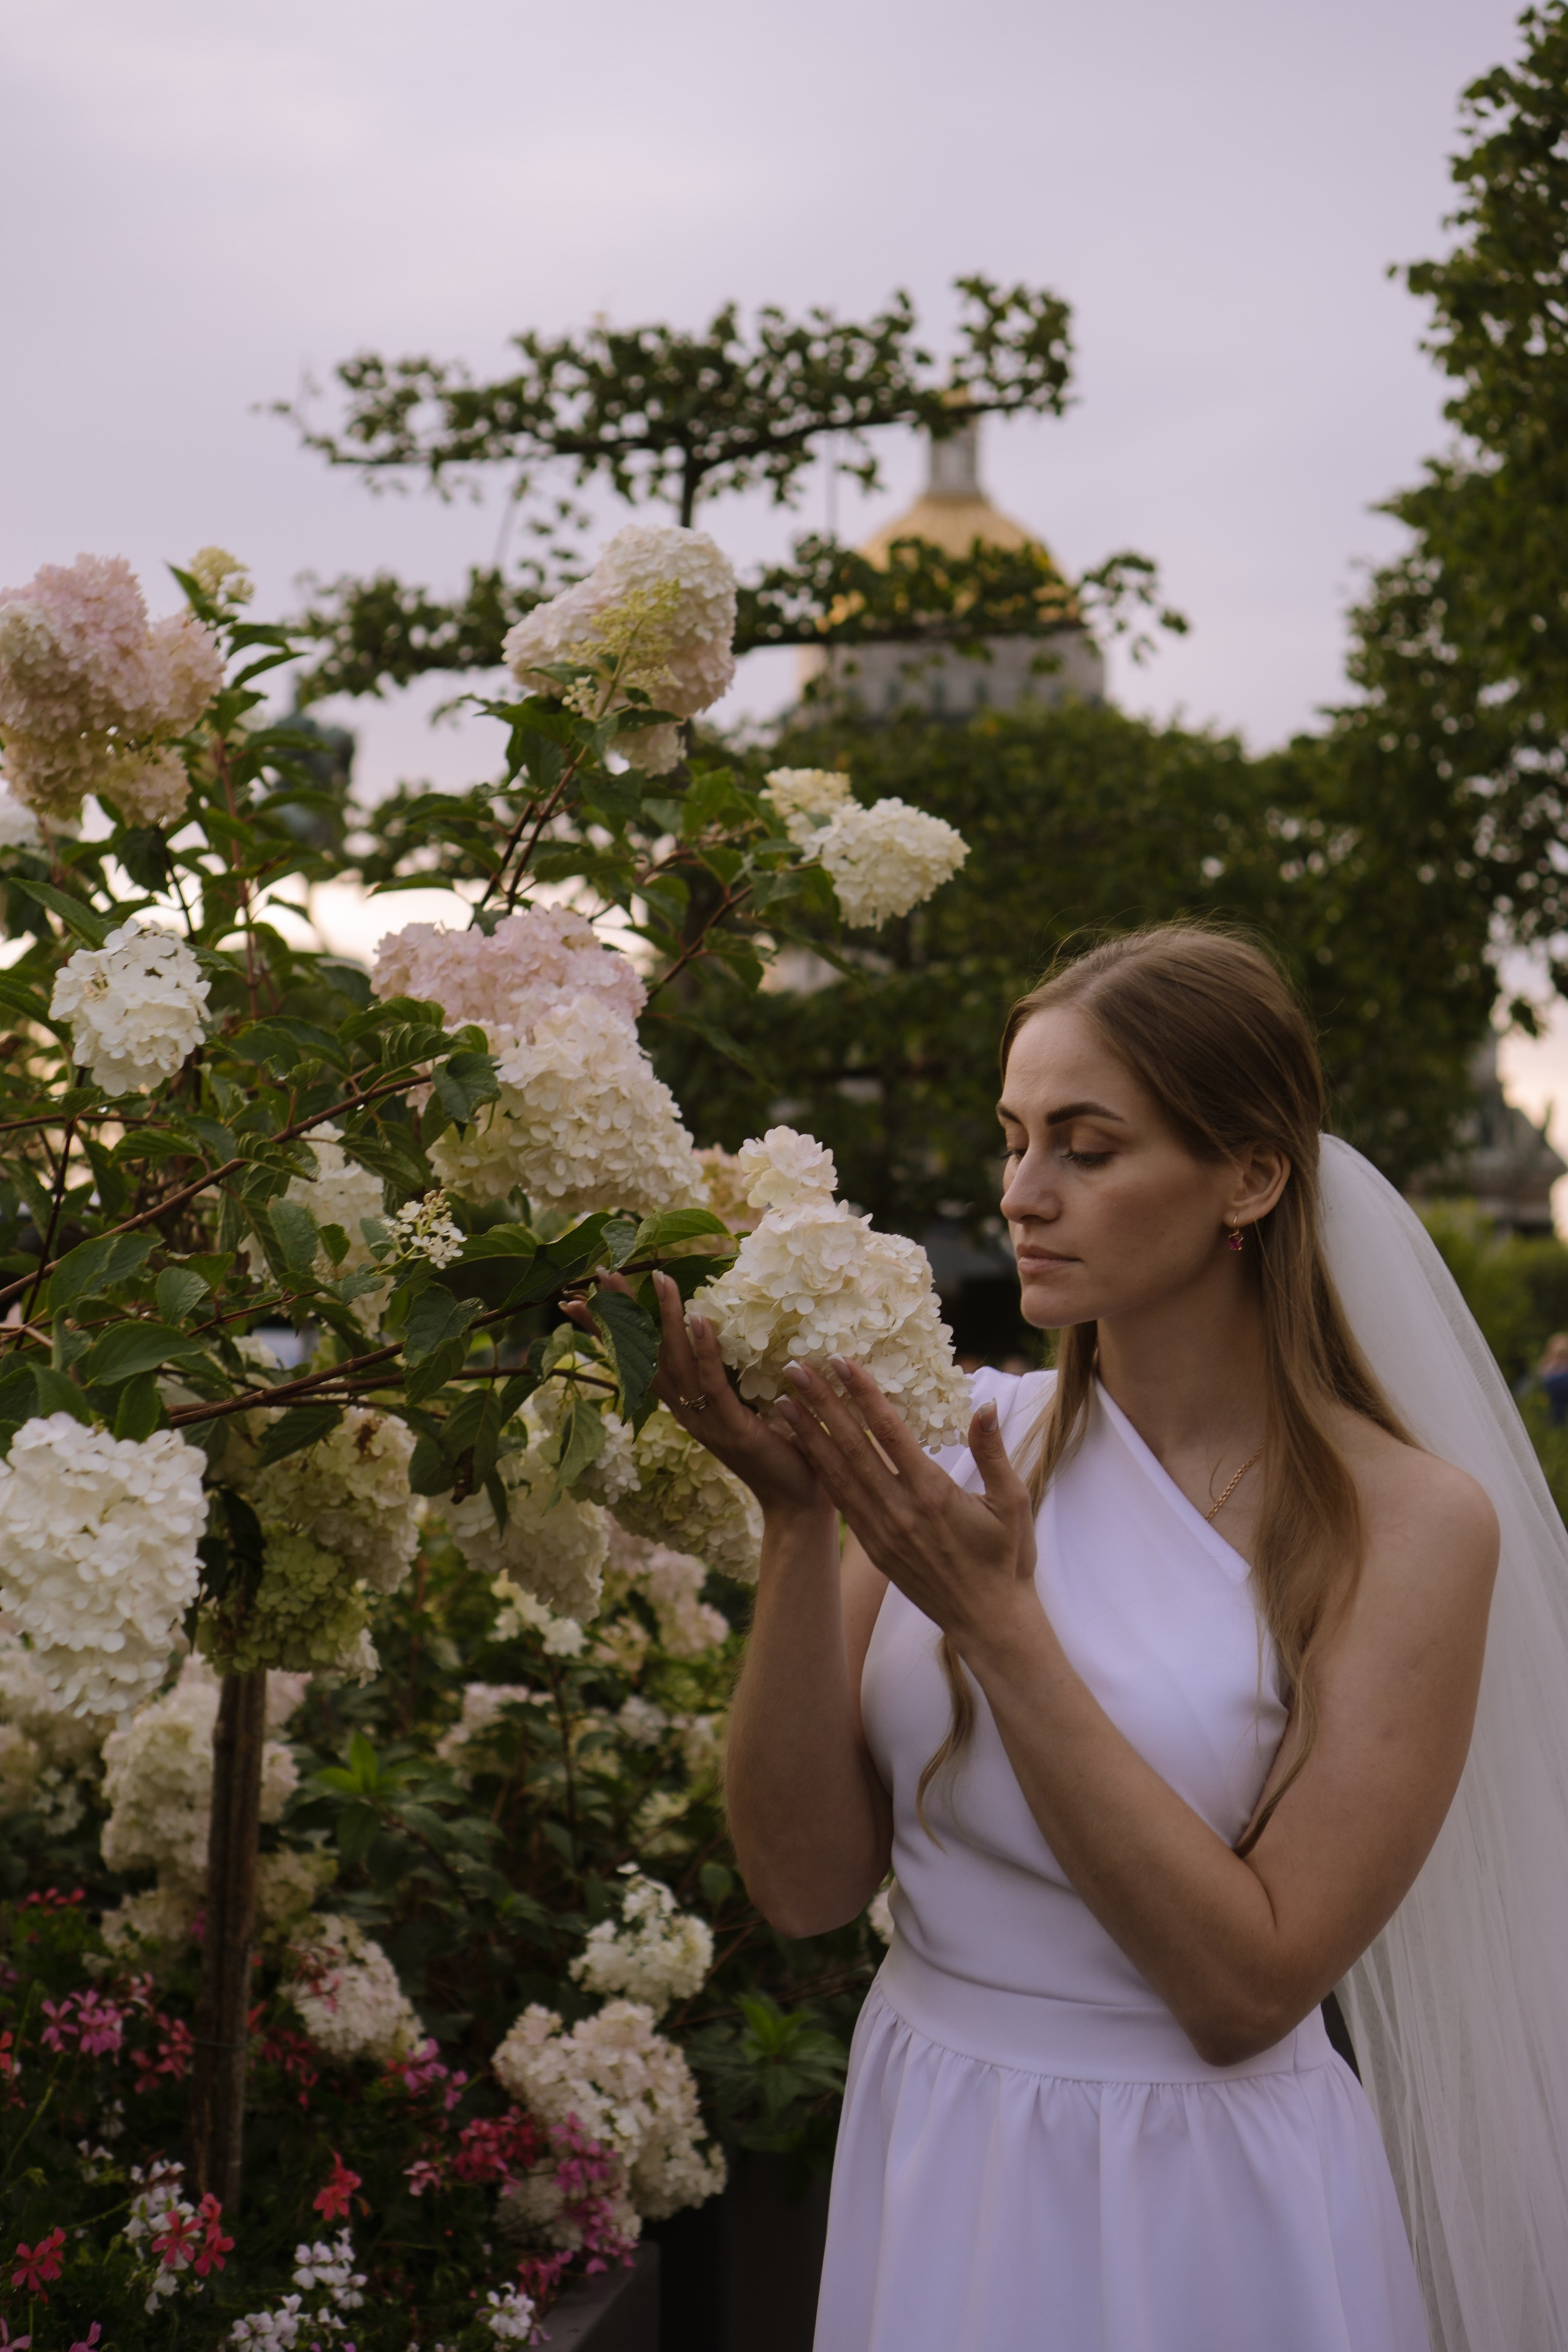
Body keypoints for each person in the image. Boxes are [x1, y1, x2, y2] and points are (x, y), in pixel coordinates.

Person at [647, 925, 1568, 2351]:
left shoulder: (1408, 1526)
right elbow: (803, 1883)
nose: (1021, 1196)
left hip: (1195, 2195)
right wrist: (794, 1528)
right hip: (937, 2139)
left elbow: (1245, 1987)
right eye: (1013, 1140)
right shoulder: (957, 1444)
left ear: (1247, 1178)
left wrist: (1003, 1632)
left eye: (1085, 1148)